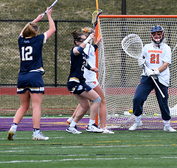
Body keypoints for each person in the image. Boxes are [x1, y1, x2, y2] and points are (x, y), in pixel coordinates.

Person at [7, 8, 56, 141]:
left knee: (23, 106)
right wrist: (49, 16)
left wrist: (35, 20)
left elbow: (23, 31)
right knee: (36, 106)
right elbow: (53, 29)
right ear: (35, 32)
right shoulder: (38, 39)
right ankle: (36, 133)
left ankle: (13, 128)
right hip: (34, 76)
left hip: (22, 76)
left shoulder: (21, 40)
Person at [128, 25, 176, 132]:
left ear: (162, 34)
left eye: (159, 34)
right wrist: (141, 63)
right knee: (137, 98)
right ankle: (137, 120)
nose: (157, 36)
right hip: (147, 77)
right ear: (151, 35)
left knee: (163, 102)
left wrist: (155, 71)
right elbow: (142, 59)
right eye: (154, 34)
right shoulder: (146, 47)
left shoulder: (166, 48)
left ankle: (167, 125)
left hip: (161, 78)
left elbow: (165, 64)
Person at [66, 30, 114, 134]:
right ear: (77, 42)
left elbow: (85, 62)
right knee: (97, 99)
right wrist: (89, 38)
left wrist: (91, 68)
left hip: (81, 82)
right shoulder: (75, 49)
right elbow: (77, 51)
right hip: (75, 82)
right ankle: (91, 125)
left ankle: (72, 125)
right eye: (84, 40)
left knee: (86, 106)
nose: (87, 42)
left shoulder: (83, 53)